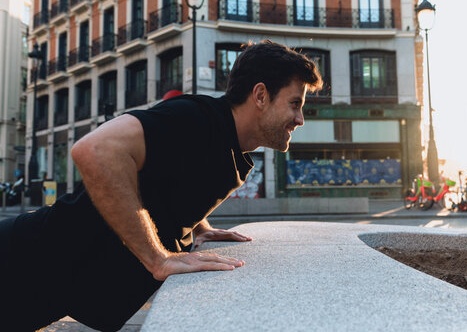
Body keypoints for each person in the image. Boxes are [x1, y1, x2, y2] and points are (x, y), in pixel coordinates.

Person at [0, 40, 322, 331]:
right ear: (261, 96)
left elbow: (169, 178)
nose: (300, 118)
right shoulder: (197, 120)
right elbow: (93, 151)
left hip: (43, 288)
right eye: (295, 104)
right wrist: (158, 258)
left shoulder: (227, 141)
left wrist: (197, 226)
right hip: (20, 264)